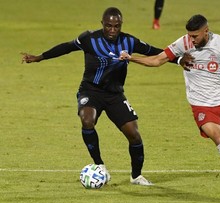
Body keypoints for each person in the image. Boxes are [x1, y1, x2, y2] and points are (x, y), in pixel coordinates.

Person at [21, 7, 184, 186]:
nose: (112, 30)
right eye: (108, 26)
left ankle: (136, 176)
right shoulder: (89, 39)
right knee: (87, 120)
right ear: (102, 24)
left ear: (121, 25)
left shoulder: (129, 41)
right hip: (91, 91)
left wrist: (178, 60)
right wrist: (39, 57)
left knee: (134, 135)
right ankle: (99, 165)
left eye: (116, 26)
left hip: (115, 95)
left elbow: (153, 51)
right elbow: (66, 47)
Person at [119, 14, 220, 192]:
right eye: (189, 35)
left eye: (195, 36)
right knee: (218, 138)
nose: (191, 40)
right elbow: (157, 60)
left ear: (206, 31)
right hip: (200, 105)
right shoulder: (183, 43)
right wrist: (131, 58)